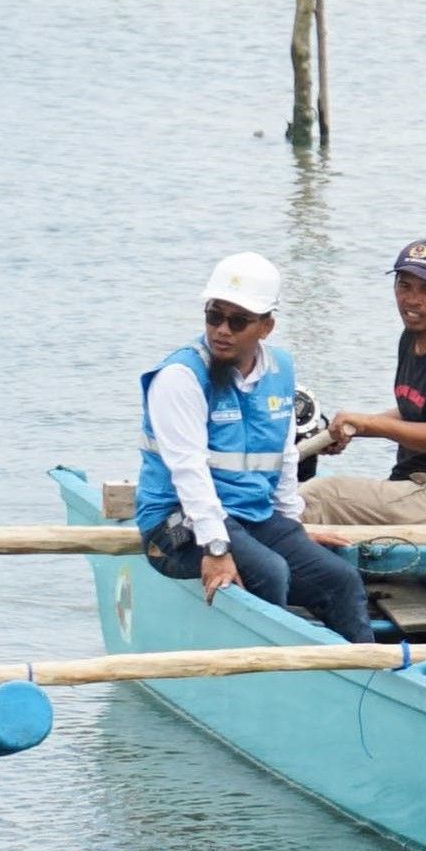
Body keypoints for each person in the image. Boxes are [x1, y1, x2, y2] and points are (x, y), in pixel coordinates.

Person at [132, 253, 371, 643]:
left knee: (341, 580)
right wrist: (215, 546)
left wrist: (292, 528)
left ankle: (367, 676)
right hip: (176, 525)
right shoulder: (180, 377)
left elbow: (285, 455)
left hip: (251, 518)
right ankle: (271, 673)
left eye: (238, 320)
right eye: (214, 316)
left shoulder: (280, 370)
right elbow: (188, 471)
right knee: (270, 572)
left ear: (266, 327)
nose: (222, 330)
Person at [301, 238, 426, 529]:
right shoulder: (411, 338)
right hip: (415, 490)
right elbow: (415, 411)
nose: (412, 299)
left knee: (315, 497)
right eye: (404, 286)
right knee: (300, 490)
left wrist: (367, 424)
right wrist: (348, 429)